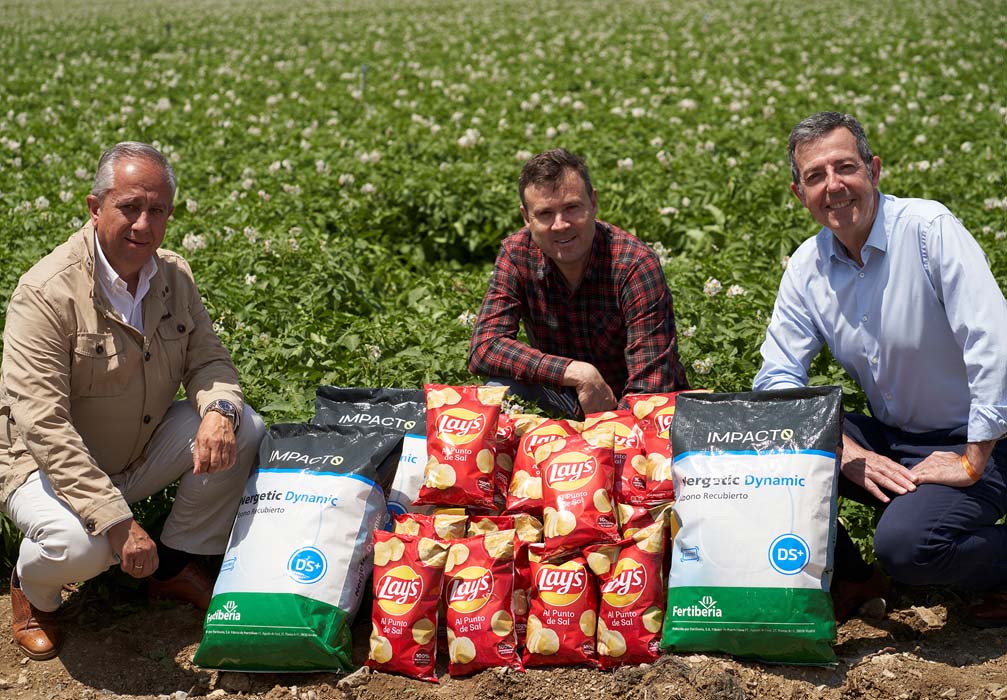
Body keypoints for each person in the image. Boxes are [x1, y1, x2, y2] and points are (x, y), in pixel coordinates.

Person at [1, 142, 266, 660]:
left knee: (245, 426)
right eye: (129, 207)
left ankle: (170, 564)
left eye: (158, 210)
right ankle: (34, 591)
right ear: (94, 207)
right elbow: (44, 425)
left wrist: (218, 410)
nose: (144, 225)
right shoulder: (45, 292)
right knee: (83, 547)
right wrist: (117, 523)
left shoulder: (173, 275)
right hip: (43, 467)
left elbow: (209, 361)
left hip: (132, 451)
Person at [754, 112, 1007, 623]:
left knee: (907, 546)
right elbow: (776, 381)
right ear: (798, 193)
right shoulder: (808, 266)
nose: (834, 186)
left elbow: (993, 341)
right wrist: (843, 449)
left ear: (873, 169)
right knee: (769, 444)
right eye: (815, 176)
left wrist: (973, 457)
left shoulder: (927, 230)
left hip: (985, 439)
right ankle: (853, 578)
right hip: (894, 438)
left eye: (845, 167)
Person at [468, 148, 689, 418]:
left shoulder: (633, 264)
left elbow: (650, 387)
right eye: (545, 214)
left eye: (571, 208)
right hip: (565, 399)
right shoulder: (517, 254)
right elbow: (485, 347)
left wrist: (606, 429)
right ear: (527, 218)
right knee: (497, 390)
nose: (560, 225)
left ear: (593, 203)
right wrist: (575, 372)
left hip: (638, 411)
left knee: (651, 409)